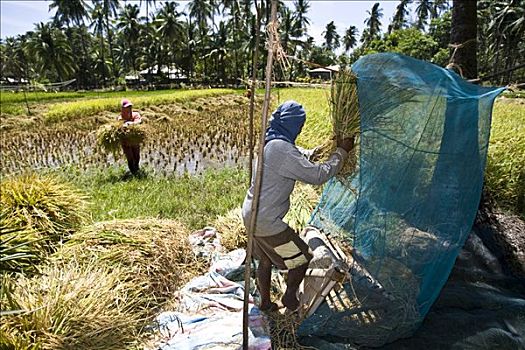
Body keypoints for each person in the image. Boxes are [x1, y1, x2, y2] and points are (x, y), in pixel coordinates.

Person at [242, 100, 353, 313]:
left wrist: (321, 151)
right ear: (292, 125)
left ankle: (265, 302)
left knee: (265, 260)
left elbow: (298, 154)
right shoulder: (281, 148)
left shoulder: (271, 139)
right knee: (301, 259)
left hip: (251, 214)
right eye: (299, 126)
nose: (300, 130)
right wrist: (341, 152)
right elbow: (317, 175)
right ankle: (290, 298)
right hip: (267, 223)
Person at [118, 98, 142, 175]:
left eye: (130, 107)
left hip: (135, 140)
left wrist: (130, 124)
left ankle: (137, 170)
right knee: (130, 158)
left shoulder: (135, 114)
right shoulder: (120, 118)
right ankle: (133, 173)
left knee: (137, 156)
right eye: (126, 107)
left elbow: (138, 121)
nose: (129, 109)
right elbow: (119, 127)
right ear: (122, 109)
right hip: (126, 142)